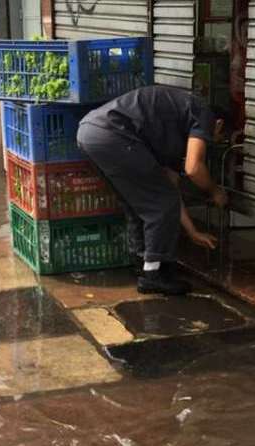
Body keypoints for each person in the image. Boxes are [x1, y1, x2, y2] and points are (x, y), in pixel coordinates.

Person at [77, 85, 229, 295]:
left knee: (138, 204)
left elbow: (171, 189)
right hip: (112, 133)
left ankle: (142, 263)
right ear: (218, 124)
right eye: (217, 138)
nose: (210, 143)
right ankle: (153, 276)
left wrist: (192, 231)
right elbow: (193, 168)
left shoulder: (175, 129)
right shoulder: (204, 114)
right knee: (159, 205)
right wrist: (214, 190)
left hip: (90, 131)